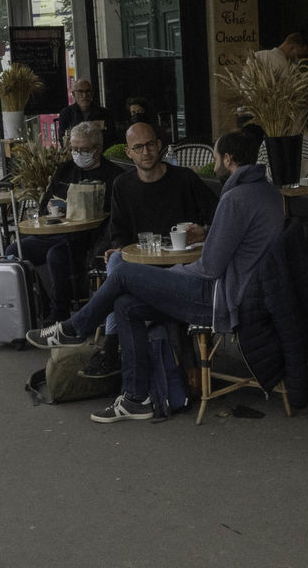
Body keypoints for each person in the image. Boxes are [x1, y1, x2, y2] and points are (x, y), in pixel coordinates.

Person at [27, 129, 283, 424]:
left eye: (215, 158)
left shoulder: (235, 198)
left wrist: (173, 273)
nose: (214, 165)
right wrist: (206, 236)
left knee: (124, 272)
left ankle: (74, 329)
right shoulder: (268, 193)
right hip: (238, 293)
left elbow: (210, 267)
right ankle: (137, 399)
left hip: (218, 298)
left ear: (228, 159)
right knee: (125, 305)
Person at [79, 121, 220, 378]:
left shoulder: (184, 178)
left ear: (159, 145)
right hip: (142, 267)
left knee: (120, 286)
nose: (146, 152)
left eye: (150, 145)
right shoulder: (122, 185)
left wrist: (204, 230)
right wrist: (119, 248)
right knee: (116, 262)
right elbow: (119, 232)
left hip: (181, 269)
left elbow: (218, 217)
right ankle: (112, 350)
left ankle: (105, 344)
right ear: (129, 153)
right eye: (138, 147)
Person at [4, 121, 123, 321]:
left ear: (97, 148)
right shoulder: (65, 170)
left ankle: (59, 314)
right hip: (57, 232)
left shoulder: (114, 176)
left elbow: (115, 216)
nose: (77, 154)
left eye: (83, 150)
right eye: (74, 149)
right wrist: (51, 208)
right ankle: (41, 308)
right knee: (14, 251)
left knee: (56, 255)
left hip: (89, 238)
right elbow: (44, 205)